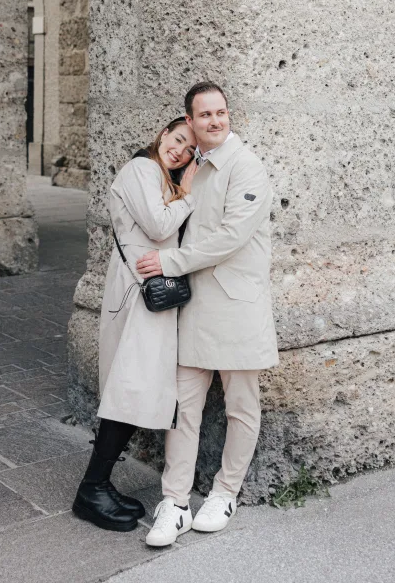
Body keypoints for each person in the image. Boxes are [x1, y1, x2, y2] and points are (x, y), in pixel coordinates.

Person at [137, 82, 278, 546]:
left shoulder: (247, 166)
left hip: (236, 306)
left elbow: (231, 238)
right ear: (191, 123)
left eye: (221, 113)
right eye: (205, 116)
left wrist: (169, 264)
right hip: (194, 307)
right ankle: (174, 503)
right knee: (182, 409)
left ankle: (225, 492)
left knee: (241, 406)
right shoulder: (194, 167)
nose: (215, 121)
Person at [72, 116, 198, 532]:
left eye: (190, 150)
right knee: (127, 387)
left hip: (147, 297)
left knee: (134, 387)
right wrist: (191, 189)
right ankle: (91, 489)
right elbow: (159, 225)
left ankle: (98, 485)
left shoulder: (161, 178)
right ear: (163, 134)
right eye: (178, 140)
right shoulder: (140, 169)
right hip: (135, 297)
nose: (180, 151)